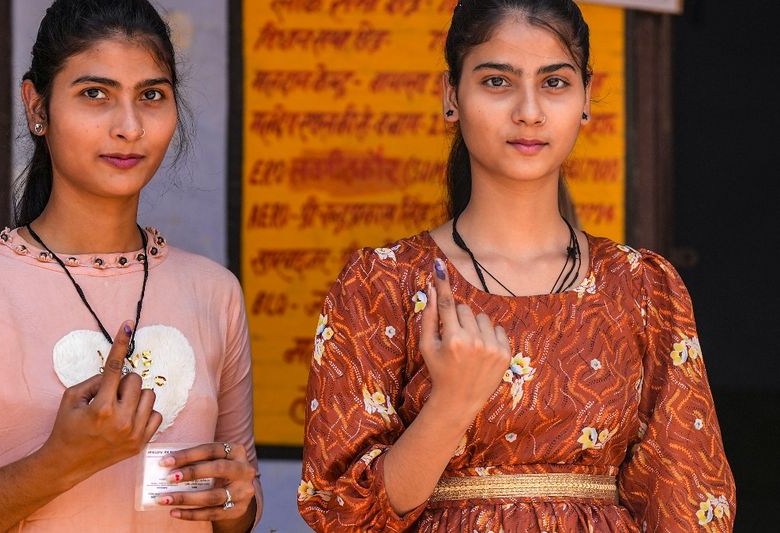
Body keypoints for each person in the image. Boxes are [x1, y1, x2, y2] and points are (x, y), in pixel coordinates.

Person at [298, 1, 735, 531]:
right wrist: (452, 402)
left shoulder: (642, 287)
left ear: (586, 99)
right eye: (497, 82)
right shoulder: (382, 284)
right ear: (450, 95)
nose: (529, 111)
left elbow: (689, 501)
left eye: (554, 83)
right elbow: (342, 515)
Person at [0, 1, 260, 531]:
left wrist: (238, 502)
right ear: (37, 106)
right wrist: (58, 464)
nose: (129, 126)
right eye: (95, 94)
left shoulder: (213, 293)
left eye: (151, 96)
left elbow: (236, 500)